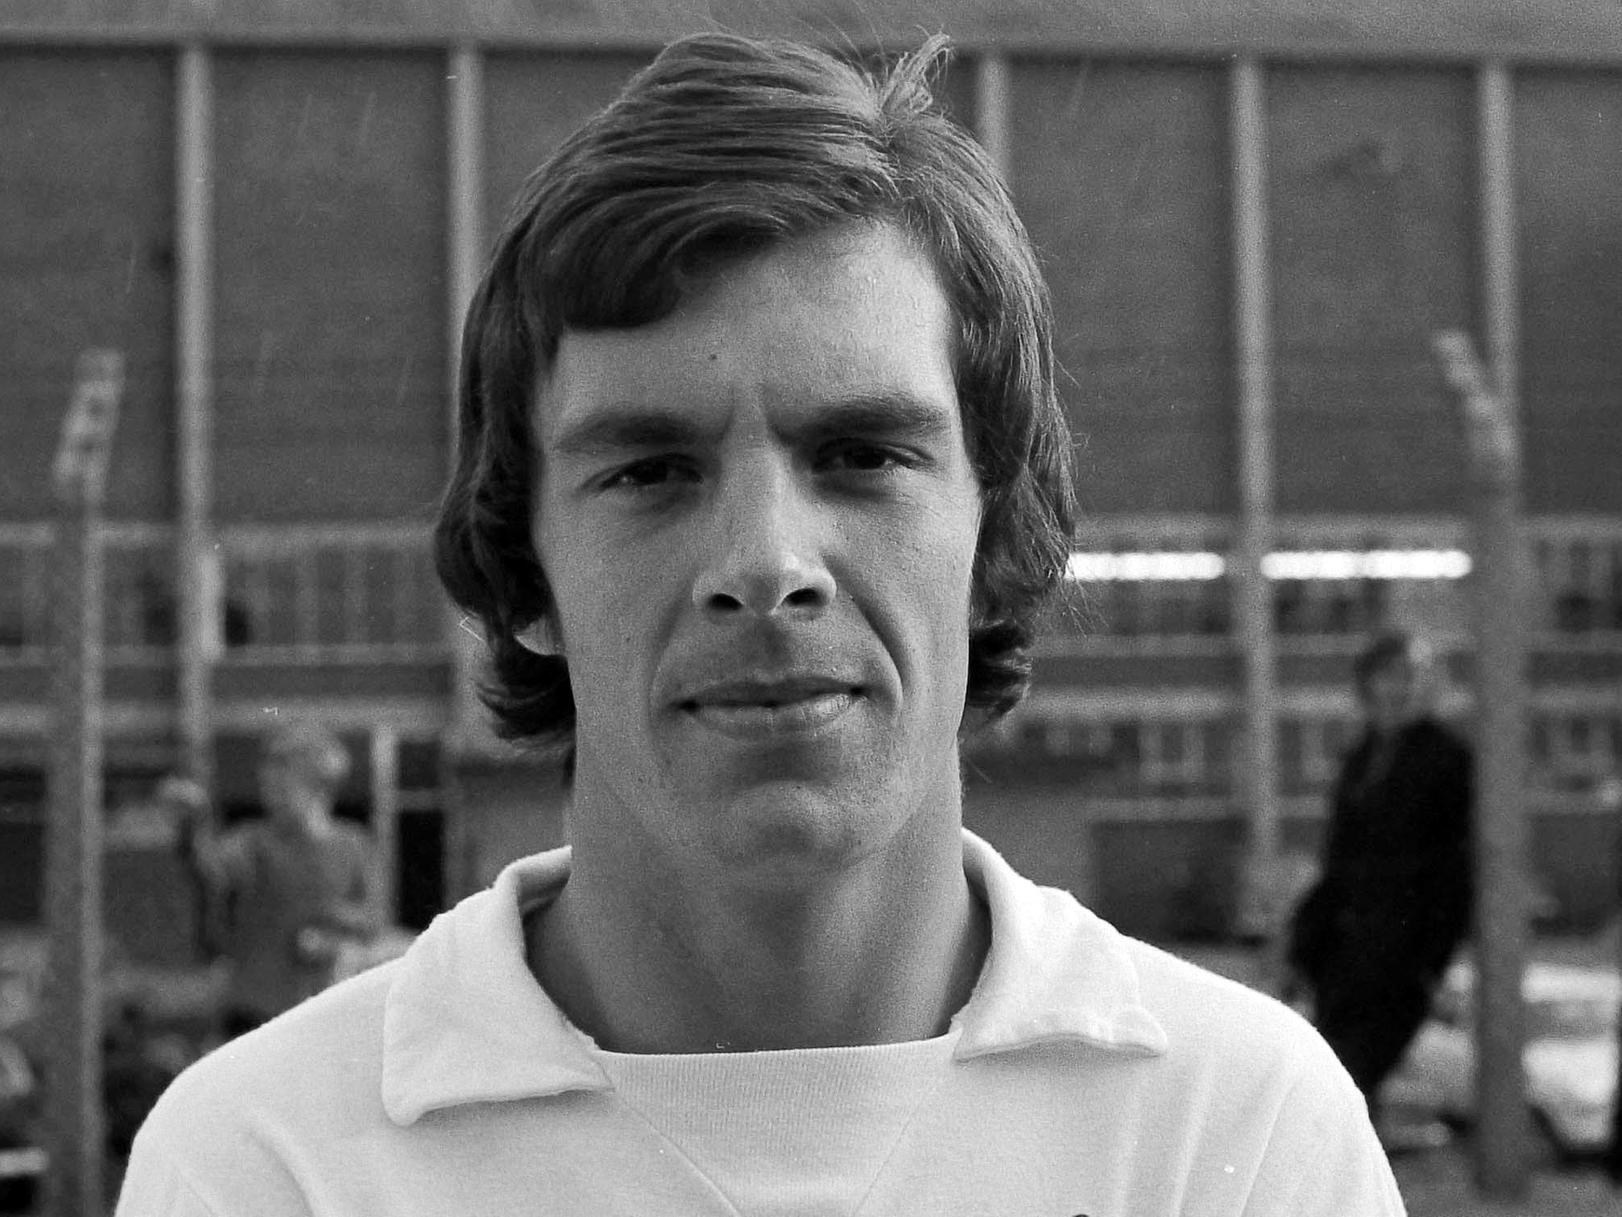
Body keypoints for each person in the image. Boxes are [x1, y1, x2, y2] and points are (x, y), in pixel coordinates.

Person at [119, 34, 1402, 1215]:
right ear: (523, 573)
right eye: (649, 470)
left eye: (861, 454)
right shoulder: (269, 1163)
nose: (765, 563)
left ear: (996, 536)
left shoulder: (1233, 1134)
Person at [1286, 632, 1474, 1119]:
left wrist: (1431, 958)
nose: (1404, 688)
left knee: (1355, 1073)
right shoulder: (1362, 758)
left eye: (1416, 676)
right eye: (1392, 676)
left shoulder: (1446, 758)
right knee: (1333, 1075)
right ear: (1368, 685)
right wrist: (1305, 937)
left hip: (1401, 951)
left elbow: (1452, 867)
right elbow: (1340, 858)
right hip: (1344, 950)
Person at [171, 721, 381, 1040]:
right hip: (252, 1013)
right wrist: (191, 828)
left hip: (319, 1012)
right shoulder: (252, 843)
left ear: (319, 788)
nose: (273, 797)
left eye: (284, 787)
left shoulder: (352, 846)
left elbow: (371, 921)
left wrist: (328, 935)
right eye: (269, 787)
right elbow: (209, 868)